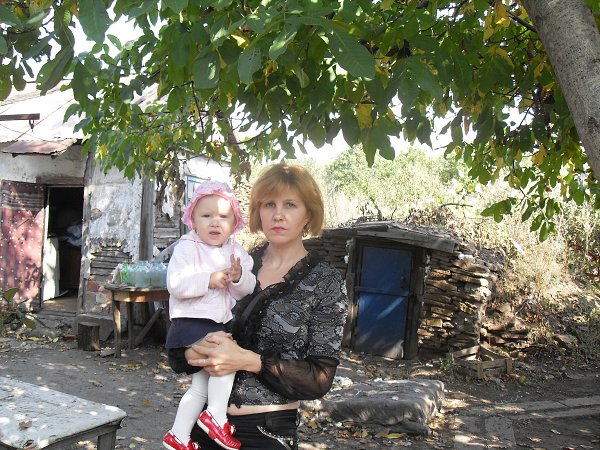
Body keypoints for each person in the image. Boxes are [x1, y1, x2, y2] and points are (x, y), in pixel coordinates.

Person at [168, 163, 349, 450]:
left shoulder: (325, 281)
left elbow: (320, 379)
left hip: (266, 433)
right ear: (257, 211)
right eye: (269, 204)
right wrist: (191, 352)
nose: (278, 214)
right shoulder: (237, 262)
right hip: (203, 427)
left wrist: (248, 361)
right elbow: (184, 331)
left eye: (290, 205)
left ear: (308, 214)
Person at [163, 180, 257, 450]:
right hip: (190, 323)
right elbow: (175, 284)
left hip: (217, 323)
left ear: (234, 222)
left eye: (224, 217)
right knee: (226, 360)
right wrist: (208, 280)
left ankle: (178, 435)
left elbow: (246, 289)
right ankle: (216, 416)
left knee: (199, 387)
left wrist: (239, 277)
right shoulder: (186, 248)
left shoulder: (236, 252)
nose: (215, 222)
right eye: (206, 216)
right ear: (193, 219)